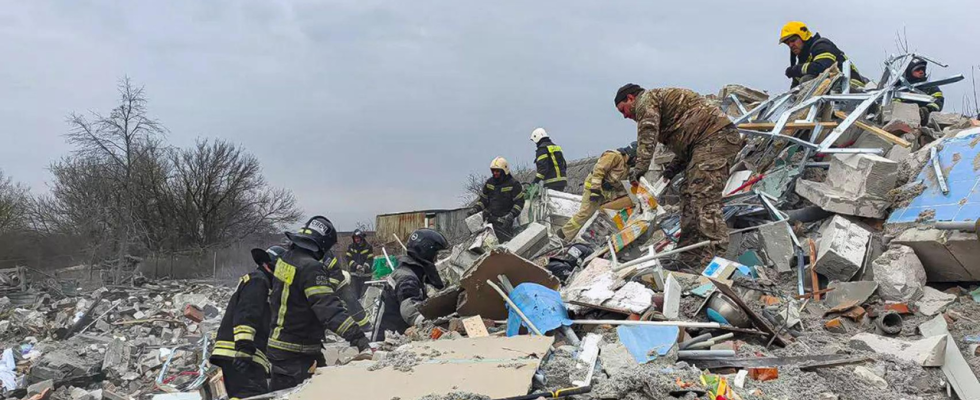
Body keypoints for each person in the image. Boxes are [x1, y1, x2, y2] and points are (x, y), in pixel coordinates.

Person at [614, 84, 743, 267]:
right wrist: (672, 169)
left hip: (716, 138)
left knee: (702, 196)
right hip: (703, 143)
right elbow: (687, 142)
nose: (626, 116)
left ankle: (716, 261)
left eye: (623, 110)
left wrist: (640, 168)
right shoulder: (663, 106)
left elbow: (648, 133)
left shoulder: (646, 101)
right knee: (688, 198)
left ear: (631, 98)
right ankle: (689, 258)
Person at [267, 216, 371, 391]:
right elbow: (329, 310)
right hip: (297, 353)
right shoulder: (310, 267)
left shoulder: (286, 259)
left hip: (281, 347)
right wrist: (359, 338)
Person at [209, 245, 285, 399]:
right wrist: (244, 349)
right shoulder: (258, 281)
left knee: (243, 395)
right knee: (250, 394)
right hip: (240, 354)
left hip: (237, 354)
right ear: (269, 265)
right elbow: (246, 315)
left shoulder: (261, 283)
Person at [370, 228, 448, 341]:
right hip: (387, 340)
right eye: (435, 255)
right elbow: (408, 308)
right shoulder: (407, 278)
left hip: (395, 334)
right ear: (427, 253)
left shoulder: (412, 271)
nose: (436, 260)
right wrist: (428, 326)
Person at [559, 143, 636, 240]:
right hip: (593, 187)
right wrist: (595, 190)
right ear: (633, 154)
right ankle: (562, 235)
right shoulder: (614, 156)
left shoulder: (625, 167)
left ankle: (594, 237)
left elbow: (618, 185)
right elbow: (598, 171)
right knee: (585, 213)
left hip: (605, 191)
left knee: (607, 211)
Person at [778, 21, 866, 89]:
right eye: (787, 43)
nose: (790, 45)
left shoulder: (821, 45)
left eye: (793, 40)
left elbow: (823, 67)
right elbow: (795, 89)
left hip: (852, 87)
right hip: (834, 89)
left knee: (807, 80)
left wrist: (796, 69)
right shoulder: (804, 60)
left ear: (803, 36)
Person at [468, 157, 525, 241]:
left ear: (504, 170)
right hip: (490, 221)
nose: (495, 173)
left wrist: (511, 215)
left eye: (497, 171)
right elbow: (483, 200)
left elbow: (520, 202)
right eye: (493, 171)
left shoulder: (514, 184)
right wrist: (475, 209)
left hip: (506, 222)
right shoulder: (489, 183)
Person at [900, 57, 944, 124]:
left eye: (923, 69)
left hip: (926, 122)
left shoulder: (930, 87)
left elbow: (938, 101)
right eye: (917, 70)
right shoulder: (900, 89)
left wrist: (927, 110)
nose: (921, 72)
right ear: (909, 72)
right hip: (903, 120)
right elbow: (894, 105)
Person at [345, 229, 375, 299]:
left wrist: (364, 267)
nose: (357, 240)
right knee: (355, 295)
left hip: (366, 276)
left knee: (365, 295)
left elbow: (370, 259)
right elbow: (348, 258)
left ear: (361, 238)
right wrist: (356, 266)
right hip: (354, 275)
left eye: (358, 238)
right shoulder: (351, 247)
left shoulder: (368, 247)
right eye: (355, 238)